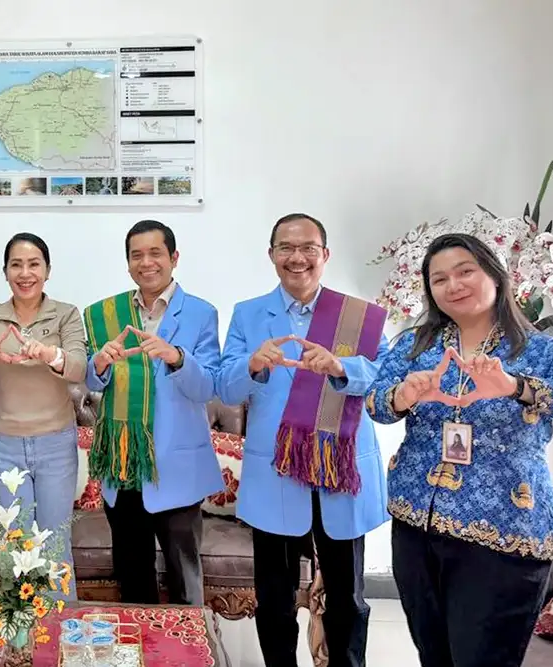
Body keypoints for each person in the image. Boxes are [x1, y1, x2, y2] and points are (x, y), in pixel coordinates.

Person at [366, 233, 553, 667]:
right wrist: (402, 396)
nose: (453, 285)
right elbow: (375, 403)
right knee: (434, 656)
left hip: (504, 535)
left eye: (465, 271)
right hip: (416, 527)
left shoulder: (537, 349)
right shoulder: (415, 345)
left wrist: (516, 387)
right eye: (439, 279)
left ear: (496, 277)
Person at [217, 213, 390, 667]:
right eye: (286, 248)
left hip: (340, 473)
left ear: (325, 254)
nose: (297, 257)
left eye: (308, 248)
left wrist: (341, 367)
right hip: (276, 472)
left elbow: (386, 376)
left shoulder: (357, 316)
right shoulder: (248, 314)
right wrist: (252, 365)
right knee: (274, 599)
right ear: (272, 255)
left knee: (348, 598)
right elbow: (226, 387)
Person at [84, 219, 223, 606]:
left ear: (174, 258)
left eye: (155, 253)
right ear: (128, 263)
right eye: (137, 255)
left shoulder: (200, 313)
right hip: (124, 466)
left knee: (185, 585)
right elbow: (92, 381)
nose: (146, 263)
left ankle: (188, 644)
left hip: (176, 468)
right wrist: (100, 363)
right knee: (133, 582)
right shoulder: (107, 314)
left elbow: (208, 386)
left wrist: (177, 357)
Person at [0, 232, 86, 595]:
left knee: (54, 545)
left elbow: (79, 367)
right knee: (14, 546)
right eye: (16, 265)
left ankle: (59, 625)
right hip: (6, 447)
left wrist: (49, 354)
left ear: (47, 270)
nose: (25, 273)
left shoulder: (66, 314)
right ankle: (19, 630)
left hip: (56, 445)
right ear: (5, 272)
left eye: (33, 264)